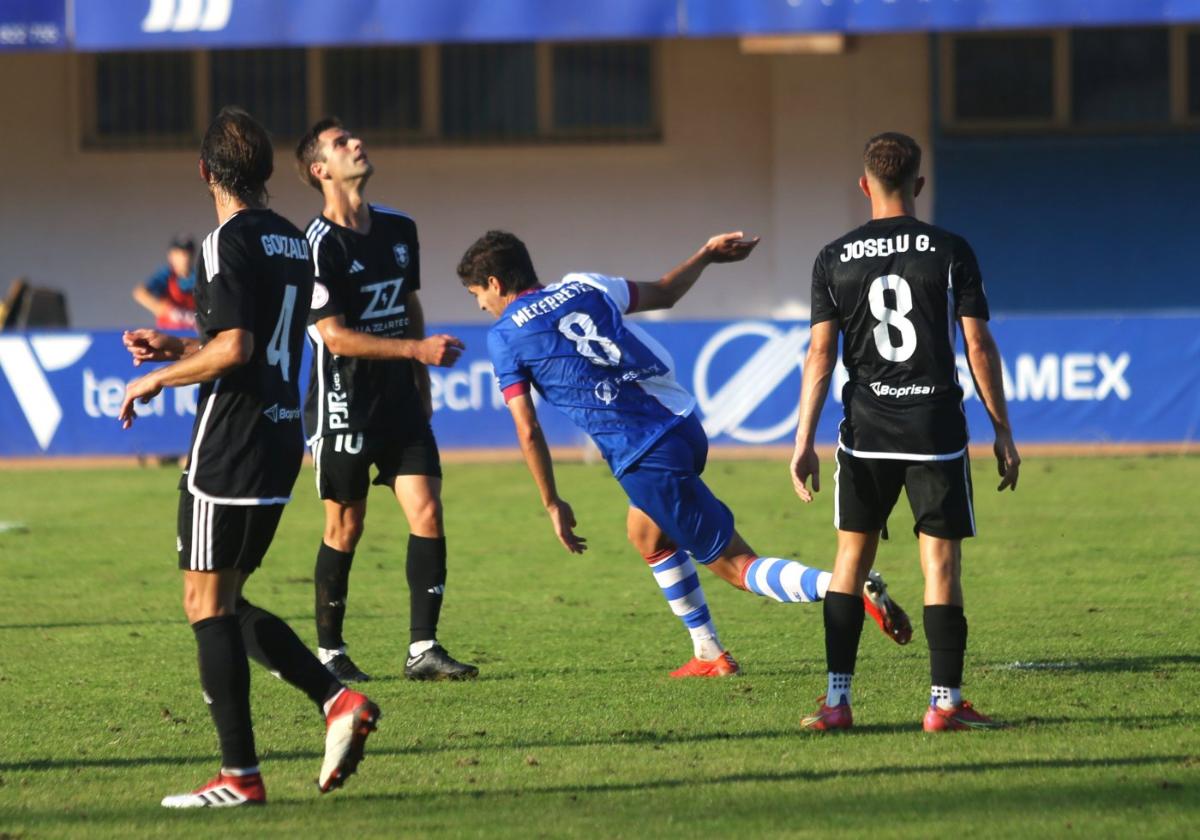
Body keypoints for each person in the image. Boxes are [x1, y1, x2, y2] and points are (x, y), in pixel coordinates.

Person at [456, 230, 911, 677]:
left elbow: (527, 428)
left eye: (477, 293)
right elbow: (667, 292)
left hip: (643, 452)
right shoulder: (585, 283)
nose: (479, 304)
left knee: (738, 566)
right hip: (684, 424)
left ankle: (847, 587)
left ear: (495, 283)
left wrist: (552, 502)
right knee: (646, 533)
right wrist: (706, 255)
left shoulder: (504, 336)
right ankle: (708, 651)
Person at [119, 107, 380, 808]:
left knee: (204, 602)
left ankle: (241, 775)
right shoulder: (292, 241)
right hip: (277, 435)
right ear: (265, 172)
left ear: (206, 172)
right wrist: (175, 349)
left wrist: (154, 377)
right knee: (224, 599)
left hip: (229, 440)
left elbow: (233, 350)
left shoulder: (221, 241)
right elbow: (252, 341)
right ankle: (335, 703)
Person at [789, 131, 1020, 732]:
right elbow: (977, 344)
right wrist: (1002, 430)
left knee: (848, 561)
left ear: (864, 185)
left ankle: (837, 703)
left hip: (864, 430)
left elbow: (819, 356)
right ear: (919, 184)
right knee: (939, 565)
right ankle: (944, 705)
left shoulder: (831, 257)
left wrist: (803, 442)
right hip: (935, 430)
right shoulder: (950, 249)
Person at [294, 118, 476, 683]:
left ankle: (424, 648)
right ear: (319, 170)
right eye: (340, 142)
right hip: (343, 402)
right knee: (345, 526)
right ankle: (330, 654)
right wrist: (416, 351)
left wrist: (420, 378)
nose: (356, 143)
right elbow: (334, 335)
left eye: (354, 137)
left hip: (401, 400)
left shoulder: (400, 227)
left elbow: (409, 302)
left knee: (427, 511)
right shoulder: (317, 244)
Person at [132, 235, 198, 330]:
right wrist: (159, 308)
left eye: (187, 253)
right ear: (171, 255)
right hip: (168, 333)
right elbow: (140, 293)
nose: (184, 257)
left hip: (193, 334)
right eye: (179, 253)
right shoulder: (166, 275)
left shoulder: (199, 276)